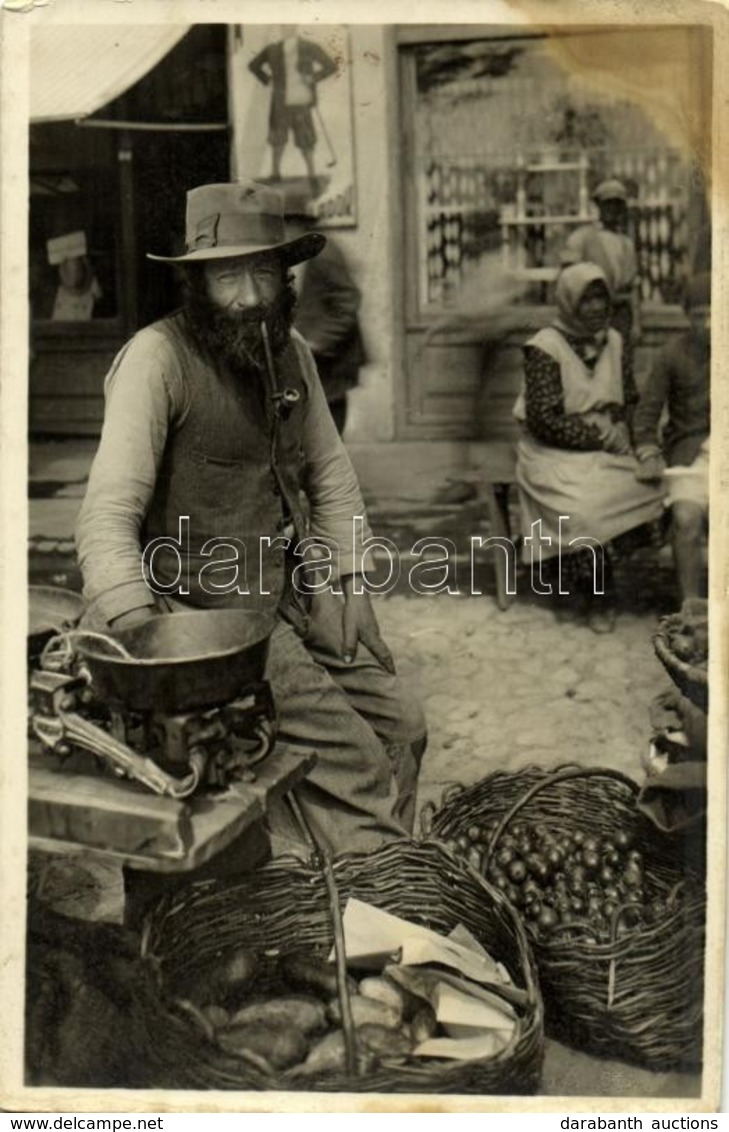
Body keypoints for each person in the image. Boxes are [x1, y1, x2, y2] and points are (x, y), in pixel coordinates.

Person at [75, 181, 426, 871]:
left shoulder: (288, 350)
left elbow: (328, 473)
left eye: (263, 270)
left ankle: (354, 878)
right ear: (196, 281)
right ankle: (379, 908)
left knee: (402, 728)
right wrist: (149, 647)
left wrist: (349, 582)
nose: (249, 296)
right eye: (227, 274)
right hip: (198, 621)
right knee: (354, 766)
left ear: (285, 274)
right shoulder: (157, 360)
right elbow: (106, 518)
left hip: (285, 595)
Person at [513, 262, 665, 633]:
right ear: (568, 303)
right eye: (587, 300)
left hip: (607, 445)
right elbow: (544, 420)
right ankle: (596, 592)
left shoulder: (614, 340)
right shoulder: (544, 347)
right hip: (552, 452)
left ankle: (582, 574)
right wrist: (599, 437)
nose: (597, 308)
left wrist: (634, 437)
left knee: (657, 489)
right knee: (583, 511)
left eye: (602, 298)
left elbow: (629, 398)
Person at [633, 273, 710, 603]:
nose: (707, 324)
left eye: (716, 313)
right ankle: (690, 605)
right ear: (686, 315)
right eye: (699, 315)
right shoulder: (672, 355)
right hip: (690, 459)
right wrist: (649, 452)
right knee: (686, 518)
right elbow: (646, 415)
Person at [289, 211, 366, 435]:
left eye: (287, 223)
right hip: (316, 358)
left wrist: (319, 341)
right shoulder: (302, 250)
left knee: (329, 427)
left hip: (331, 359)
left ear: (300, 223)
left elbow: (349, 300)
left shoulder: (323, 252)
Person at [248, 30, 338, 192]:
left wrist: (313, 77)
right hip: (280, 102)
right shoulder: (273, 49)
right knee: (278, 137)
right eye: (285, 24)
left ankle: (312, 175)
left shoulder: (309, 47)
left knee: (306, 138)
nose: (288, 26)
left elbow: (331, 65)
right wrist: (268, 79)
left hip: (302, 100)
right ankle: (275, 173)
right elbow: (253, 65)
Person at [561, 179, 639, 342]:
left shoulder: (626, 244)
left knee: (621, 363)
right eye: (608, 204)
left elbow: (633, 289)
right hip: (591, 315)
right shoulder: (581, 238)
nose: (613, 210)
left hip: (621, 317)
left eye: (618, 205)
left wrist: (636, 324)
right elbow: (567, 283)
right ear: (598, 206)